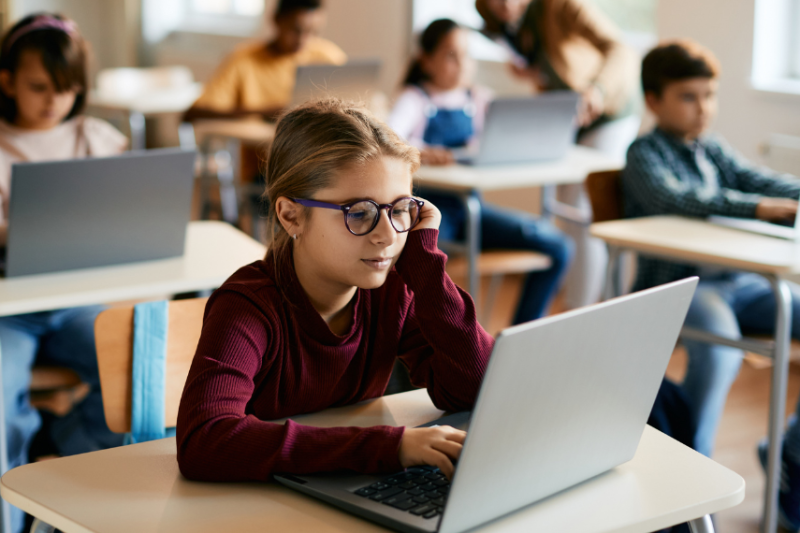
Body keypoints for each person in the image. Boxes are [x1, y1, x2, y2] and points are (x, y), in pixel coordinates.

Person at [176, 99, 493, 483]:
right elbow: (204, 441)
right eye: (359, 212)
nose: (387, 235)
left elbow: (475, 388)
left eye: (400, 210)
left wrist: (425, 266)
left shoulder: (393, 292)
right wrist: (388, 447)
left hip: (342, 485)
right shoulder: (249, 306)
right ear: (291, 214)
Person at [622, 40, 800, 530]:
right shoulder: (644, 153)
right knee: (720, 352)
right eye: (689, 97)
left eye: (710, 95)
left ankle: (791, 454)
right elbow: (678, 197)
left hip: (740, 283)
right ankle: (690, 488)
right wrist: (755, 207)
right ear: (654, 101)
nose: (703, 108)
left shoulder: (712, 147)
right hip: (686, 287)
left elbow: (755, 177)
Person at [0, 13, 128, 533]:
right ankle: (10, 513)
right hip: (9, 312)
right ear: (6, 80)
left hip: (79, 302)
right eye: (39, 87)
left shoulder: (98, 138)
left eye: (67, 89)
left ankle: (64, 452)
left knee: (140, 369)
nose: (54, 100)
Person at [388, 18, 573, 324]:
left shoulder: (480, 99)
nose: (461, 64)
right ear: (425, 59)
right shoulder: (415, 99)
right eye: (450, 55)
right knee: (419, 262)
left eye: (466, 55)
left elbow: (506, 138)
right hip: (427, 215)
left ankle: (519, 338)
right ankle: (429, 342)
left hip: (471, 213)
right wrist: (419, 151)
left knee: (558, 246)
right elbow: (390, 140)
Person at [476, 0, 641, 310]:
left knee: (583, 209)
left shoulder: (563, 5)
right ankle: (564, 306)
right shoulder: (492, 17)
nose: (502, 5)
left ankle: (577, 311)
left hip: (607, 114)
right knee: (562, 207)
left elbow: (621, 49)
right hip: (565, 116)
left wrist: (598, 89)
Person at [185, 0, 347, 186]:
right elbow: (193, 113)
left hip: (323, 162)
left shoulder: (326, 56)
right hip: (265, 170)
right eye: (296, 30)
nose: (303, 39)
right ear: (276, 21)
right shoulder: (244, 60)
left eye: (313, 32)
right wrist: (262, 111)